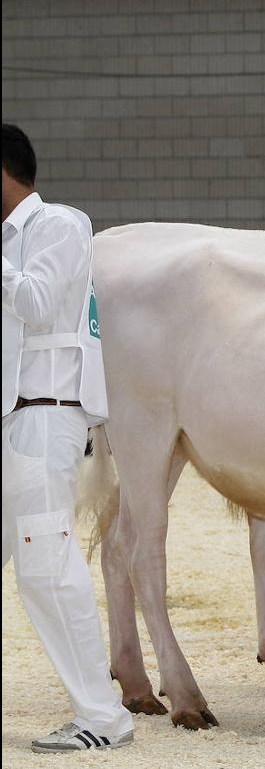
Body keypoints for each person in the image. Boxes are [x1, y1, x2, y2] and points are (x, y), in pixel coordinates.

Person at [2, 123, 135, 753]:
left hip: (46, 416)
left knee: (47, 566)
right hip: (12, 419)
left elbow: (33, 302)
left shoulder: (61, 223)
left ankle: (103, 718)